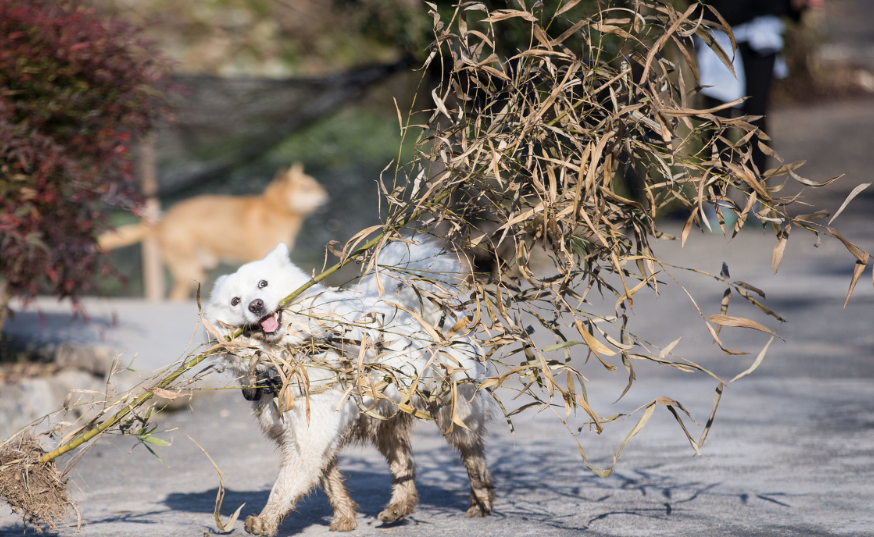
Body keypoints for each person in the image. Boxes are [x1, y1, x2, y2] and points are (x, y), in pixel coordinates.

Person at [697, 0, 824, 174]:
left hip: (762, 25)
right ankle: (717, 194)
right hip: (717, 27)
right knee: (719, 118)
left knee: (756, 116)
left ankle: (756, 193)